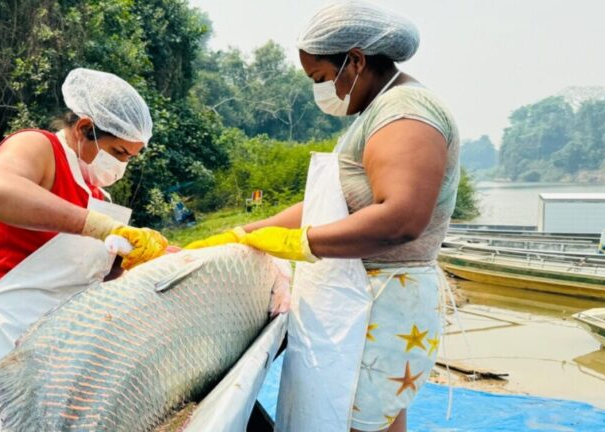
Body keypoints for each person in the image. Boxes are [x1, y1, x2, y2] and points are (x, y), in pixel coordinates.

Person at [186, 2, 460, 431]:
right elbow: (331, 203)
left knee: (360, 421)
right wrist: (245, 233)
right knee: (360, 418)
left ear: (354, 60)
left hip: (382, 301)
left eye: (320, 78)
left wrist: (303, 243)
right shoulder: (377, 112)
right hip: (359, 296)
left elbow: (402, 218)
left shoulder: (405, 112)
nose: (320, 91)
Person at [0, 68, 169, 381]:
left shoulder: (97, 193)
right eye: (119, 152)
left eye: (130, 158)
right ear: (85, 128)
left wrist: (130, 259)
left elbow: (90, 276)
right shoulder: (39, 148)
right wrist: (99, 226)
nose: (122, 165)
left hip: (58, 337)